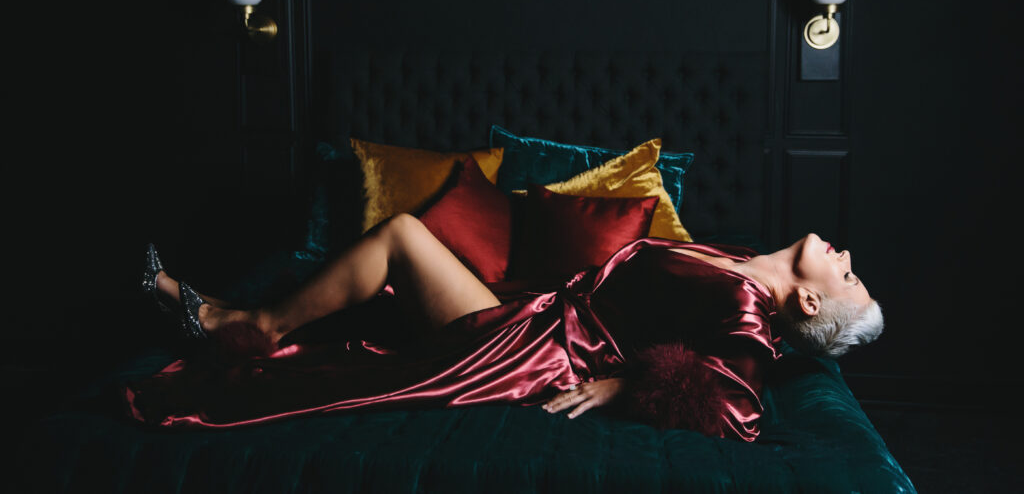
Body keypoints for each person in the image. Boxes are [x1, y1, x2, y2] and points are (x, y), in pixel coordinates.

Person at [129, 214, 883, 441]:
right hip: (531, 311)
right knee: (399, 243)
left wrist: (628, 380)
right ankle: (237, 316)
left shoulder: (749, 312)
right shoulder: (739, 261)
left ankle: (239, 320)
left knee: (400, 235)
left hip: (529, 349)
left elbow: (737, 409)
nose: (845, 256)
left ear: (811, 304)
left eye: (847, 275)